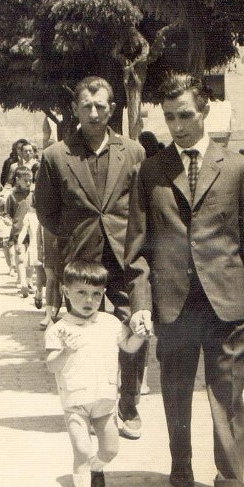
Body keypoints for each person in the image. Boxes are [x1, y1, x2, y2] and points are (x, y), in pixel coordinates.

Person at [124, 73, 244, 487]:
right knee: (175, 390)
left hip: (227, 301)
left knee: (228, 396)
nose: (178, 125)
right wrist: (141, 302)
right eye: (169, 117)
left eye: (185, 115)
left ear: (205, 110)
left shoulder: (237, 167)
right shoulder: (151, 171)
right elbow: (137, 247)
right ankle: (181, 459)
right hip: (173, 303)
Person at [35, 75, 147, 440]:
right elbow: (46, 211)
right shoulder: (56, 156)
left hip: (125, 256)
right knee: (82, 333)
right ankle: (87, 406)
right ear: (75, 109)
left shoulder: (134, 152)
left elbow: (143, 206)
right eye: (87, 107)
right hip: (81, 258)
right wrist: (74, 235)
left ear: (112, 109)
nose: (94, 113)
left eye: (101, 106)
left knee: (134, 325)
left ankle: (128, 404)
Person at [45, 260, 150, 487]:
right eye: (81, 292)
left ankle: (95, 468)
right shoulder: (59, 329)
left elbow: (128, 347)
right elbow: (51, 365)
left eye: (96, 294)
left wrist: (139, 335)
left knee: (110, 450)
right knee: (82, 449)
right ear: (66, 291)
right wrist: (65, 351)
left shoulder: (110, 323)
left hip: (105, 401)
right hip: (76, 402)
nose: (89, 300)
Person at [5, 166, 33, 297]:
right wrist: (7, 220)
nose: (28, 183)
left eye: (30, 180)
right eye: (25, 180)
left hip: (32, 232)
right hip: (18, 231)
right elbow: (7, 214)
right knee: (21, 258)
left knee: (31, 260)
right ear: (17, 180)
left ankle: (29, 281)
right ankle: (23, 284)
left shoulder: (34, 195)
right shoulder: (12, 197)